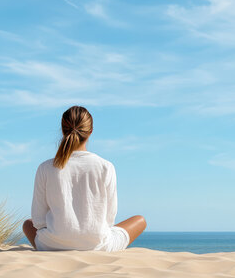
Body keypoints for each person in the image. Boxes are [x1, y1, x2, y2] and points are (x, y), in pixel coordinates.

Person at [22, 106, 146, 251]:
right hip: (97, 246)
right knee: (140, 220)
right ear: (90, 132)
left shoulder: (45, 167)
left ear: (62, 130)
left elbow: (38, 220)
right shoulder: (106, 166)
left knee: (27, 224)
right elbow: (109, 218)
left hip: (52, 245)